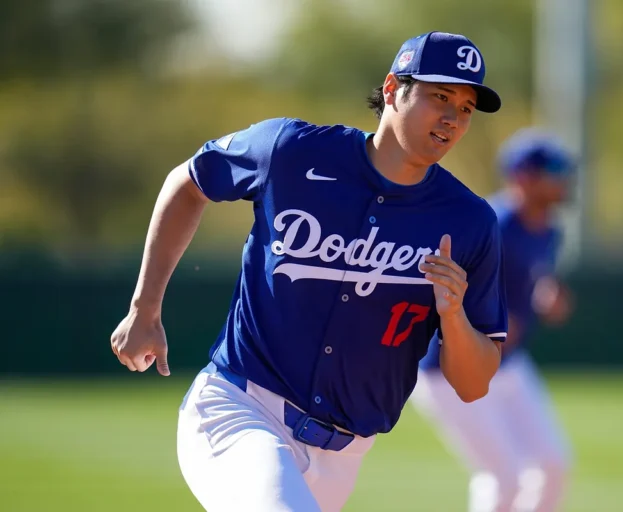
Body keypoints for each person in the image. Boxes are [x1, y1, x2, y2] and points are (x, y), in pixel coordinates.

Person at [109, 31, 509, 512]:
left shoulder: (470, 221)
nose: (452, 117)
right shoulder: (291, 151)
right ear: (391, 89)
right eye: (439, 96)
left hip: (342, 459)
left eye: (466, 107)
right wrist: (145, 307)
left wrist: (454, 316)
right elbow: (190, 180)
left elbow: (473, 384)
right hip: (241, 411)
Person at [411, 128, 577, 512]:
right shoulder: (491, 224)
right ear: (523, 177)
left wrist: (545, 295)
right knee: (504, 476)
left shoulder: (549, 230)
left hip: (508, 363)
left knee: (553, 465)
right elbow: (438, 284)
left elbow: (531, 280)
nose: (563, 180)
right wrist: (484, 319)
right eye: (554, 171)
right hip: (451, 369)